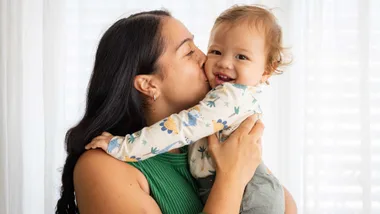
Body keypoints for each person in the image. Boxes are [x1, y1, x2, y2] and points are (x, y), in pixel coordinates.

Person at [86, 5, 296, 214]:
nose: (206, 58)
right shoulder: (102, 167)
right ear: (148, 85)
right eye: (189, 52)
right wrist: (231, 177)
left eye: (198, 47)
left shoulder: (215, 125)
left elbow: (287, 207)